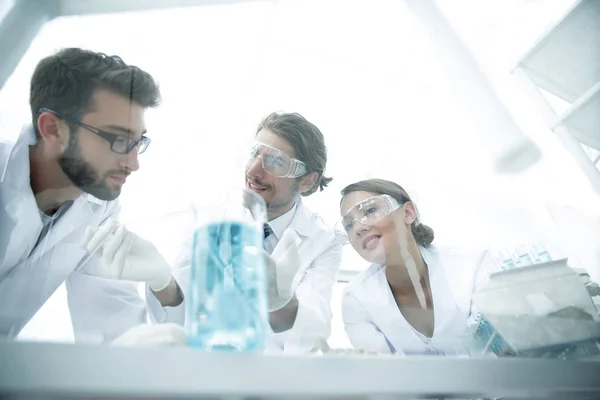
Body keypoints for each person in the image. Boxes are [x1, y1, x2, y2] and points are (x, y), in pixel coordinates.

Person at [0, 48, 184, 343]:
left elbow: (116, 337)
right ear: (52, 128)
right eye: (119, 139)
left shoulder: (98, 211)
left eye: (138, 142)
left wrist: (163, 282)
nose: (133, 164)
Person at [133, 112, 343, 352]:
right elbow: (176, 321)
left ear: (306, 181)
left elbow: (312, 333)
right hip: (203, 368)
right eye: (255, 154)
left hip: (270, 377)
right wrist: (161, 281)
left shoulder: (323, 242)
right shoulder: (212, 218)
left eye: (275, 162)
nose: (254, 171)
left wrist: (281, 302)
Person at [338, 179, 493, 355]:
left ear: (408, 213)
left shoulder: (474, 266)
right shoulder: (356, 300)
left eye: (370, 210)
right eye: (349, 225)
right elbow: (381, 373)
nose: (358, 227)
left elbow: (502, 348)